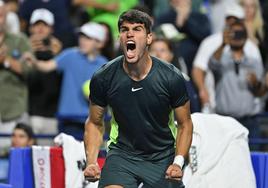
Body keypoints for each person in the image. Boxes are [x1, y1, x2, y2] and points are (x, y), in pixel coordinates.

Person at [83, 9, 193, 188]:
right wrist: (92, 162)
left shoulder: (171, 77)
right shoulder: (103, 77)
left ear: (149, 38)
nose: (130, 34)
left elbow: (185, 123)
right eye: (125, 30)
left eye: (137, 29)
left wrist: (178, 162)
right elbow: (94, 122)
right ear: (120, 38)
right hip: (122, 155)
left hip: (162, 156)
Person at [30, 22, 108, 140]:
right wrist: (34, 62)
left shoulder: (105, 64)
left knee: (91, 158)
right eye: (81, 36)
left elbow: (108, 95)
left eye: (88, 38)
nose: (82, 40)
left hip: (93, 122)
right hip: (67, 120)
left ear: (99, 43)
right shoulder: (70, 54)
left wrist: (96, 97)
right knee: (67, 157)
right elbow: (47, 66)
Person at [192, 3, 263, 112]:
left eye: (237, 20)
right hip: (215, 104)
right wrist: (202, 91)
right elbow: (199, 68)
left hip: (248, 110)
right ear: (225, 20)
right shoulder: (210, 42)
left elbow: (260, 82)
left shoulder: (251, 47)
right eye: (230, 19)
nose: (233, 23)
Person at [208, 20, 264, 140]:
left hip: (249, 120)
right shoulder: (221, 58)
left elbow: (260, 93)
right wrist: (223, 44)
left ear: (246, 35)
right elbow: (212, 63)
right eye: (234, 32)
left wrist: (256, 84)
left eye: (241, 33)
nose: (237, 36)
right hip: (224, 120)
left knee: (251, 156)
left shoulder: (254, 62)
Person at [0, 0, 33, 150]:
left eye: (1, 16)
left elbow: (29, 70)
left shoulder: (19, 41)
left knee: (13, 158)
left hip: (13, 110)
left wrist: (6, 60)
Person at [27, 8, 63, 145]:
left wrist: (58, 54)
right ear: (30, 28)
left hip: (51, 115)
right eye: (37, 24)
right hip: (29, 113)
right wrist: (28, 50)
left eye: (45, 25)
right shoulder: (22, 49)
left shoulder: (61, 53)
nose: (40, 29)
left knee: (46, 160)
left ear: (51, 29)